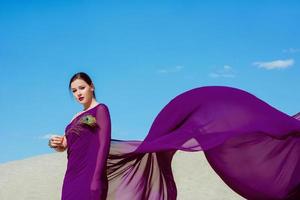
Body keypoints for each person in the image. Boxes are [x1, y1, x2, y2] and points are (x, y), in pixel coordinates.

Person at [49, 72, 300, 200]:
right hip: (70, 179)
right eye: (73, 91)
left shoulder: (101, 111)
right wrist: (60, 143)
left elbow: (103, 145)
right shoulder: (73, 119)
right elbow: (70, 146)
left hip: (90, 179)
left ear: (91, 86)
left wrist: (95, 181)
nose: (78, 93)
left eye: (81, 88)